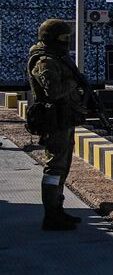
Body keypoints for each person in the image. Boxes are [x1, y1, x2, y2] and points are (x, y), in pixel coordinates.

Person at [27, 19, 88, 230]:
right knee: (54, 168)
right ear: (51, 38)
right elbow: (53, 92)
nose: (66, 43)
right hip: (54, 120)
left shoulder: (58, 57)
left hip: (64, 118)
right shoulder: (45, 61)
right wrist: (73, 81)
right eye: (63, 39)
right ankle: (51, 214)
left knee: (62, 167)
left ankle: (58, 209)